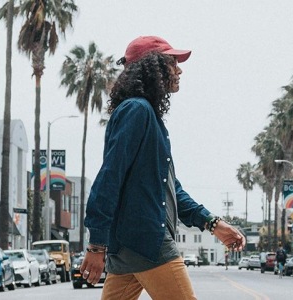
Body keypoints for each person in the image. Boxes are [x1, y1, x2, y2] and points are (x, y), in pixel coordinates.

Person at [80, 36, 246, 300]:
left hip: (129, 246)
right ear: (152, 69)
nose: (179, 70)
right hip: (148, 242)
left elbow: (171, 190)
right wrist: (96, 244)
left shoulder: (149, 117)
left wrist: (213, 223)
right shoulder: (137, 111)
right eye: (172, 63)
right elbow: (109, 177)